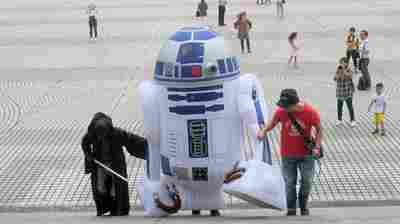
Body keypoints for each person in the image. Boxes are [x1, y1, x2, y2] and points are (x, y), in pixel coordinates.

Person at [257, 89, 322, 216]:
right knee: (289, 182)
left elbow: (319, 129)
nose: (283, 108)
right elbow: (272, 123)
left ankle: (303, 206)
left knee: (307, 181)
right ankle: (291, 209)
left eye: (286, 106)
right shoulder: (281, 111)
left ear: (294, 104)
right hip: (287, 154)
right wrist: (263, 131)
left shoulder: (310, 112)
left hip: (307, 154)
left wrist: (317, 147)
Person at [81, 112, 148, 216]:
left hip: (115, 165)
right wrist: (89, 155)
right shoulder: (92, 134)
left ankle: (116, 210)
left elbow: (132, 140)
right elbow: (85, 143)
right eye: (99, 135)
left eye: (103, 134)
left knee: (115, 190)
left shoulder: (117, 133)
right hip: (100, 165)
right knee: (100, 188)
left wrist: (148, 146)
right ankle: (103, 208)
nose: (101, 137)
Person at [335, 57, 356, 127]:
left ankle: (352, 120)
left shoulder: (349, 69)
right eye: (340, 62)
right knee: (339, 107)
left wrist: (344, 70)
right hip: (340, 92)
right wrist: (339, 74)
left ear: (346, 63)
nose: (341, 64)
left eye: (342, 62)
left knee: (350, 107)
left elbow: (350, 76)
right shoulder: (338, 69)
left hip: (348, 92)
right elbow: (335, 78)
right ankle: (339, 120)